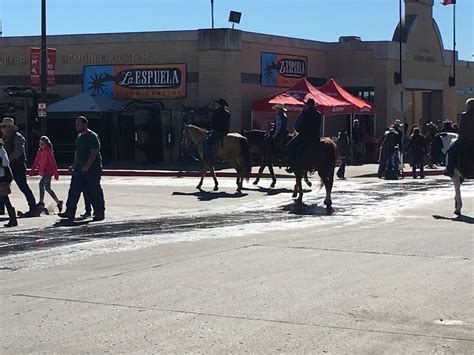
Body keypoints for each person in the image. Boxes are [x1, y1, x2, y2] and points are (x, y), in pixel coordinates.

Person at [58, 116, 105, 221]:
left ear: (85, 124)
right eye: (76, 124)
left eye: (79, 124)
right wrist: (74, 165)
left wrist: (87, 165)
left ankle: (99, 212)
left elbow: (94, 152)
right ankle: (70, 212)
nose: (77, 126)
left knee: (94, 191)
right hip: (79, 169)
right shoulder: (79, 137)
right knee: (73, 190)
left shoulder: (92, 136)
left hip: (93, 169)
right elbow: (77, 152)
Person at [0, 117, 38, 216]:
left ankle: (33, 207)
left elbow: (18, 152)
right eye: (2, 126)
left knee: (23, 187)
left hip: (17, 166)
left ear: (10, 127)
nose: (2, 128)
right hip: (8, 166)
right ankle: (1, 208)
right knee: (2, 186)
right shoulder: (4, 138)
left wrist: (7, 159)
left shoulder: (18, 137)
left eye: (4, 126)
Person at [286, 98, 322, 173]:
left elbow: (296, 125)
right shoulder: (318, 114)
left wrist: (299, 130)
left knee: (289, 146)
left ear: (307, 105)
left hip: (304, 136)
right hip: (315, 137)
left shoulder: (304, 113)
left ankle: (292, 165)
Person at [29, 136, 63, 211]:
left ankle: (41, 202)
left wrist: (56, 174)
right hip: (44, 172)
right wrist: (32, 171)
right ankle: (58, 202)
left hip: (48, 172)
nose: (41, 145)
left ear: (46, 144)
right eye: (40, 143)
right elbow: (36, 161)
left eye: (43, 144)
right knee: (48, 188)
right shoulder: (39, 151)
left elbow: (53, 162)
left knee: (41, 184)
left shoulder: (48, 151)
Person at [445, 98, 474, 177]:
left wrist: (460, 137)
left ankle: (450, 170)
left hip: (466, 141)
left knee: (451, 151)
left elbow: (461, 129)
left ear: (468, 106)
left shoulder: (465, 115)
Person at [0, 138, 17, 227]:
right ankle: (13, 219)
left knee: (5, 198)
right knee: (4, 198)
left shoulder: (2, 151)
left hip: (1, 177)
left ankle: (13, 219)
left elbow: (5, 163)